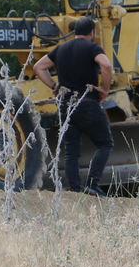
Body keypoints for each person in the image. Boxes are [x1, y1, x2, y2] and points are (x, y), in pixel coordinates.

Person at [34, 16, 114, 196]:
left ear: (75, 31)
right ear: (92, 32)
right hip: (86, 103)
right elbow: (106, 65)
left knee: (71, 150)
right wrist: (104, 89)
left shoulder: (60, 48)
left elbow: (39, 67)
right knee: (105, 143)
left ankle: (76, 189)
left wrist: (54, 86)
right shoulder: (93, 48)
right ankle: (92, 184)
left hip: (65, 105)